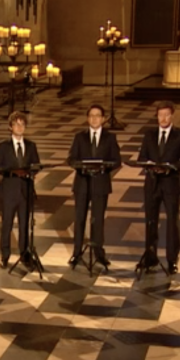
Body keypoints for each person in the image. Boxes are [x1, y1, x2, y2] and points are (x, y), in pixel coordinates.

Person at [136, 101, 180, 273]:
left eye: (167, 115)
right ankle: (150, 256)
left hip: (171, 184)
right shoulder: (149, 135)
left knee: (171, 222)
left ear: (172, 116)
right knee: (150, 221)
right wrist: (150, 165)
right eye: (160, 115)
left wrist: (170, 167)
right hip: (152, 184)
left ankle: (171, 259)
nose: (163, 118)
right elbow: (142, 157)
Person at [67, 103, 122, 267]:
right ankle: (76, 253)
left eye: (98, 115)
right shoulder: (79, 137)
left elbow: (117, 160)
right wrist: (82, 167)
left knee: (98, 220)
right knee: (80, 219)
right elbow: (71, 159)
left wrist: (104, 167)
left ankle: (99, 252)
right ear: (87, 119)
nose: (94, 118)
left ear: (103, 119)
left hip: (100, 183)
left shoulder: (110, 138)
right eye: (91, 115)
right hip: (82, 183)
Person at [0, 111, 41, 269]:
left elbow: (36, 165)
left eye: (22, 124)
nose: (19, 127)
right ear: (10, 127)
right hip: (9, 190)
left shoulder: (31, 146)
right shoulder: (3, 147)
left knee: (25, 224)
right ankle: (5, 255)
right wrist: (12, 171)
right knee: (7, 224)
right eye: (16, 124)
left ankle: (24, 254)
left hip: (25, 190)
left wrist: (31, 171)